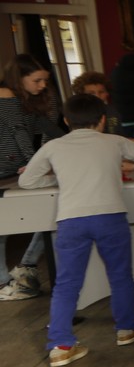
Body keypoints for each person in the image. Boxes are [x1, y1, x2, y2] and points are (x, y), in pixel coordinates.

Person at [18, 93, 134, 364]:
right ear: (102, 120)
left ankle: (61, 346)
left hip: (71, 221)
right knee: (120, 276)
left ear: (66, 120)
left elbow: (26, 181)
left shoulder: (54, 146)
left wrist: (59, 180)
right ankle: (127, 328)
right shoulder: (115, 141)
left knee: (66, 284)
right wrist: (131, 166)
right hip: (111, 217)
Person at [0, 54, 63, 301]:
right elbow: (17, 131)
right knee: (2, 228)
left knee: (48, 212)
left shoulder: (30, 99)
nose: (43, 85)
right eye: (37, 80)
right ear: (20, 78)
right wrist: (32, 163)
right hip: (7, 169)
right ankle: (3, 283)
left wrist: (78, 142)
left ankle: (26, 267)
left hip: (15, 169)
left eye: (45, 80)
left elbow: (50, 129)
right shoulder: (5, 94)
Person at [70, 71, 127, 136]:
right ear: (81, 95)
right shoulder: (78, 114)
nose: (97, 96)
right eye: (91, 93)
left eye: (101, 92)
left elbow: (119, 135)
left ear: (107, 93)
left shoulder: (113, 111)